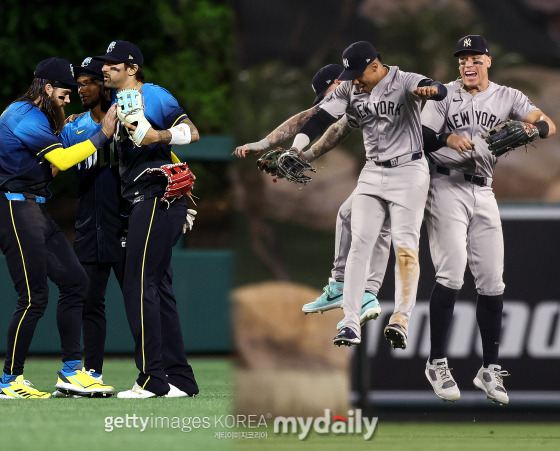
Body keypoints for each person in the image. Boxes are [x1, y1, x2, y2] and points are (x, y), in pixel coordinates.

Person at [421, 35, 556, 404]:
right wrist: (449, 138)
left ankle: (489, 370)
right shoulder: (443, 93)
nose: (468, 64)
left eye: (475, 58)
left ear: (488, 62)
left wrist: (533, 129)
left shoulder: (508, 96)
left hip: (484, 191)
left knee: (493, 283)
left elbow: (547, 124)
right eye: (462, 58)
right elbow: (423, 134)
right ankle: (436, 362)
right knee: (451, 272)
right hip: (444, 186)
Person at [288, 41, 447, 349]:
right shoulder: (349, 89)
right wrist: (297, 148)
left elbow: (434, 87)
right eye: (351, 73)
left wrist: (433, 91)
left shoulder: (404, 80)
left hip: (409, 171)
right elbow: (321, 118)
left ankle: (401, 317)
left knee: (406, 248)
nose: (355, 79)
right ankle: (349, 322)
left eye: (360, 72)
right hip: (373, 173)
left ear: (376, 65)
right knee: (360, 242)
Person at [0, 57, 118, 399]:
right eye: (64, 92)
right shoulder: (24, 115)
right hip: (15, 209)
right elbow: (60, 160)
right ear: (46, 88)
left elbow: (49, 166)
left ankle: (72, 371)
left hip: (32, 209)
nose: (68, 98)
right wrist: (103, 134)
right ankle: (9, 381)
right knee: (33, 297)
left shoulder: (38, 118)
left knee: (76, 282)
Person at [233, 64, 389, 329]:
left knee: (389, 236)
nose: (327, 101)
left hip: (411, 166)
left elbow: (314, 117)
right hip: (391, 167)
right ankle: (347, 288)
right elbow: (319, 123)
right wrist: (294, 152)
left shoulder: (372, 89)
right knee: (349, 217)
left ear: (338, 82)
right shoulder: (352, 99)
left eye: (327, 93)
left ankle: (374, 298)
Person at [94, 40, 200, 398]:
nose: (105, 68)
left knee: (138, 285)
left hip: (157, 197)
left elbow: (192, 132)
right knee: (158, 288)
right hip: (147, 200)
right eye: (104, 64)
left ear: (132, 68)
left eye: (113, 64)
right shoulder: (115, 103)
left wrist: (159, 135)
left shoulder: (153, 94)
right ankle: (179, 380)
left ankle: (152, 379)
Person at [54, 56, 127, 394]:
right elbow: (51, 168)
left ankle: (155, 375)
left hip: (127, 225)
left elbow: (163, 152)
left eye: (87, 82)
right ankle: (91, 373)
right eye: (78, 84)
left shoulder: (132, 119)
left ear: (105, 83)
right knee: (89, 303)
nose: (81, 89)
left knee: (141, 300)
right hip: (88, 227)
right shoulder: (73, 127)